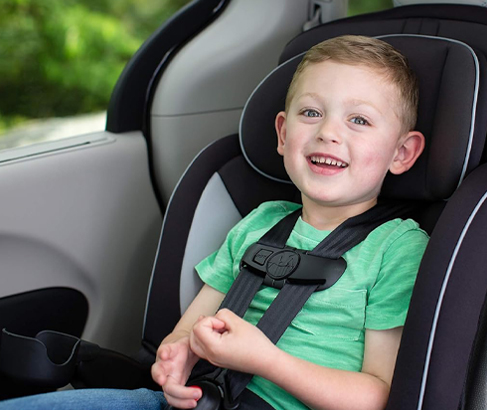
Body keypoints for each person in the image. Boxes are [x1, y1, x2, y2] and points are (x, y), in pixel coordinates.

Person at [0, 35, 429, 410]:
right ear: (282, 134)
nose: (329, 133)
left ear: (402, 153)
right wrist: (178, 354)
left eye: (359, 120)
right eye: (312, 113)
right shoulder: (258, 223)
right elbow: (193, 325)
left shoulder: (396, 247)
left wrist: (266, 361)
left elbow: (378, 396)